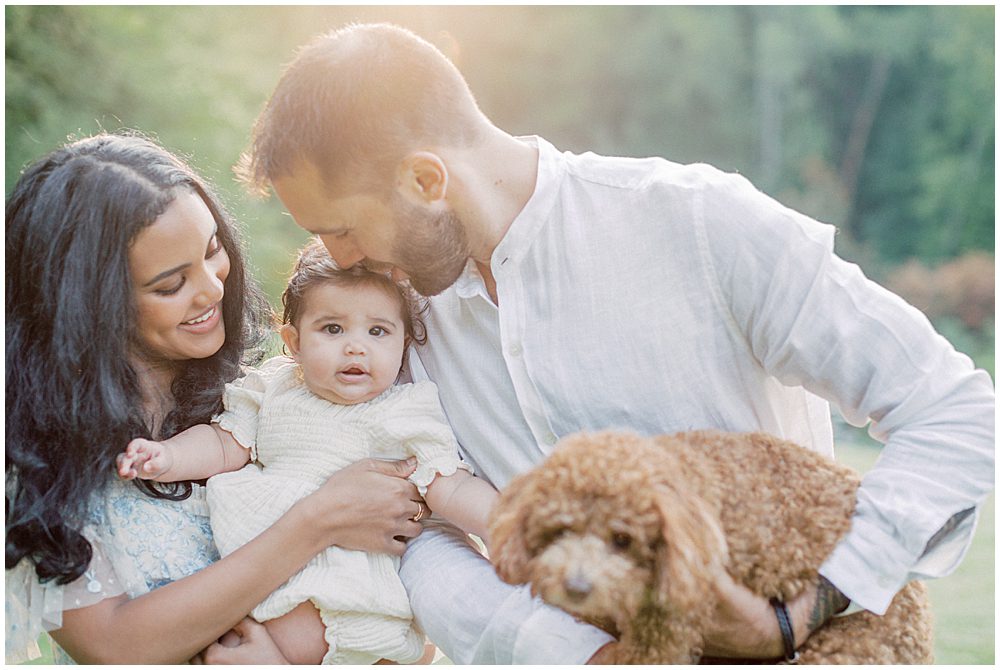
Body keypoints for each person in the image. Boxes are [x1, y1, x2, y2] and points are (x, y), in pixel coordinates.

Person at [234, 23, 995, 664]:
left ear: (427, 181)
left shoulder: (699, 224)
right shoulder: (397, 320)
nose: (339, 259)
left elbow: (954, 413)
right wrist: (575, 654)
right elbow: (418, 527)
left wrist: (795, 613)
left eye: (341, 227)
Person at [5, 133, 430, 664]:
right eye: (169, 285)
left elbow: (406, 612)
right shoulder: (33, 457)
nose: (212, 289)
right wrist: (315, 521)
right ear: (89, 305)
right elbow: (113, 646)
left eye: (212, 251)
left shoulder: (269, 395)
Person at [116, 239, 498, 664]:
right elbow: (225, 443)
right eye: (332, 329)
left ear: (403, 343)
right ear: (294, 342)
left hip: (360, 604)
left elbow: (449, 485)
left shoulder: (408, 408)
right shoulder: (274, 387)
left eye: (377, 331)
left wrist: (510, 528)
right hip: (266, 587)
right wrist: (167, 457)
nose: (355, 347)